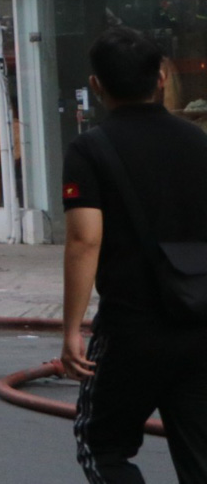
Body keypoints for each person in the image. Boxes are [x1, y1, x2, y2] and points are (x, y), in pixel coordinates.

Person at [61, 27, 207, 484]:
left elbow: (85, 239)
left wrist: (71, 329)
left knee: (102, 447)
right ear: (162, 78)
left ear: (97, 85)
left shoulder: (90, 149)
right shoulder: (200, 143)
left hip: (132, 327)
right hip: (200, 323)